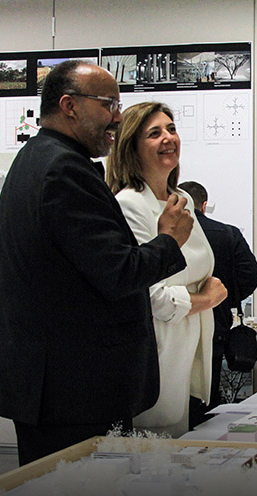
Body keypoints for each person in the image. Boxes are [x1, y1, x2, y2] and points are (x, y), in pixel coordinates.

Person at [0, 60, 194, 466]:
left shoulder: (41, 159)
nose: (116, 116)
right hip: (73, 389)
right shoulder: (63, 170)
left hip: (61, 385)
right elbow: (118, 273)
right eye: (109, 103)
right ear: (70, 105)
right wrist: (168, 240)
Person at [105, 102, 227, 438]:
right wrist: (208, 298)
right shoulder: (129, 204)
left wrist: (197, 297)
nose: (167, 138)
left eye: (171, 129)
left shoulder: (181, 198)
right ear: (131, 146)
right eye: (154, 133)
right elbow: (153, 297)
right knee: (153, 463)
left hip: (190, 352)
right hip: (156, 355)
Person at [178, 181, 257, 426]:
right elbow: (252, 275)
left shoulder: (166, 232)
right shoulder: (227, 233)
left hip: (174, 320)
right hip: (215, 322)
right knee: (206, 393)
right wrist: (225, 298)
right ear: (204, 205)